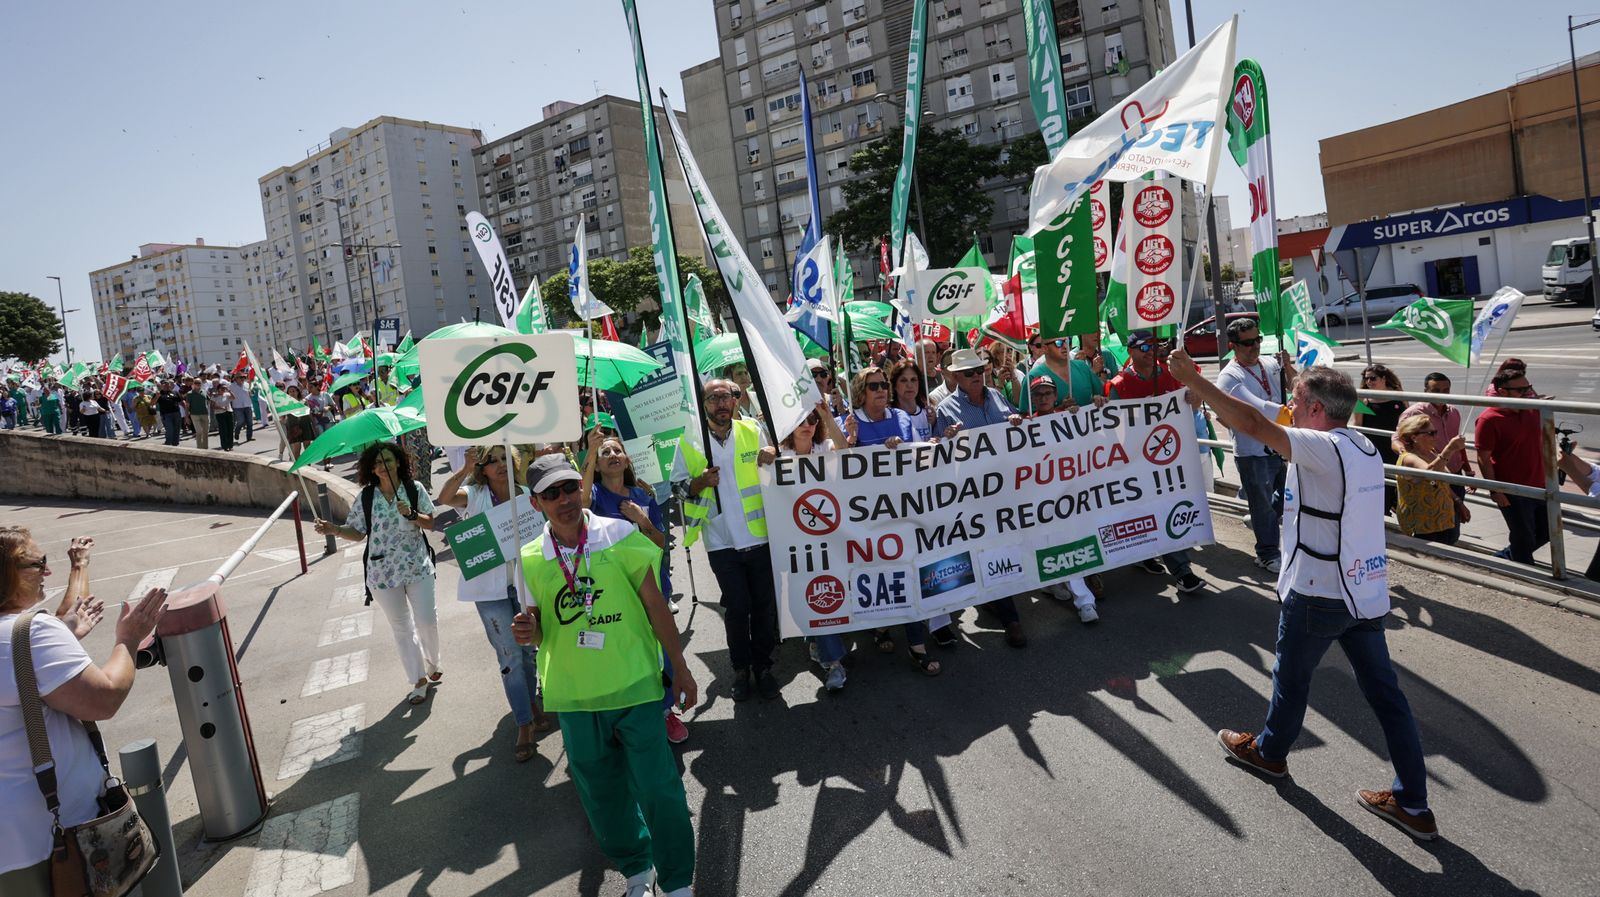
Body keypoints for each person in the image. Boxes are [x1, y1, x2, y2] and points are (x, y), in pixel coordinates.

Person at [1166, 350, 1439, 842]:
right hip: (1363, 593)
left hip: (1319, 592)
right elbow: (1267, 414)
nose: (1287, 404)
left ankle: (1269, 755)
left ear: (1314, 410)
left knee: (1291, 682)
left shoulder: (1319, 447)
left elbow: (1251, 420)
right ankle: (1414, 803)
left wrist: (1195, 380)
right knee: (1388, 698)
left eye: (1295, 399)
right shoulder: (1359, 443)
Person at [513, 454, 698, 897]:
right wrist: (527, 631)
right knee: (603, 797)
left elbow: (657, 607)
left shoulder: (618, 534)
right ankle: (638, 869)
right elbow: (538, 627)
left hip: (634, 684)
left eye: (570, 488)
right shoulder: (530, 556)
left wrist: (682, 668)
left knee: (659, 790)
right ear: (536, 503)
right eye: (551, 494)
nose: (564, 499)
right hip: (574, 696)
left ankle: (676, 882)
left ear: (581, 487)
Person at [1, 527, 168, 894]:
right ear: (7, 573)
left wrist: (63, 632)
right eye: (38, 563)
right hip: (54, 843)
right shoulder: (30, 635)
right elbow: (104, 698)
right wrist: (129, 638)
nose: (47, 571)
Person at [435, 445, 549, 762]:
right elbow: (445, 499)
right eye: (491, 461)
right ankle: (524, 723)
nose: (500, 465)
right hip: (490, 590)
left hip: (526, 585)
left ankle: (533, 703)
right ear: (482, 469)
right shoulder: (474, 495)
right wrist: (462, 469)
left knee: (529, 649)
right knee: (509, 653)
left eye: (504, 459)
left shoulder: (528, 494)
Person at [672, 379, 783, 700]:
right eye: (714, 398)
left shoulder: (752, 430)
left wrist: (773, 453)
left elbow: (775, 471)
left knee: (763, 607)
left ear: (736, 400)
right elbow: (678, 490)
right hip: (721, 542)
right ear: (703, 404)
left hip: (759, 537)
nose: (722, 403)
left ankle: (763, 667)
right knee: (737, 607)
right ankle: (740, 668)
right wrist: (699, 482)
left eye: (727, 397)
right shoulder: (690, 442)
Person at [581, 432, 690, 742]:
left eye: (618, 450)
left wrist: (643, 520)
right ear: (598, 465)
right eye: (606, 453)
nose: (613, 454)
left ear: (627, 459)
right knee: (624, 650)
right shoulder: (595, 497)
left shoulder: (644, 495)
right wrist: (590, 451)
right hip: (615, 589)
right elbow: (582, 501)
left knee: (660, 648)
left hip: (652, 584)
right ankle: (627, 715)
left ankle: (667, 711)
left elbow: (659, 542)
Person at [315, 443, 441, 706]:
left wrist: (413, 514)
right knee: (402, 628)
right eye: (378, 463)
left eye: (388, 460)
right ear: (371, 469)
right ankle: (418, 680)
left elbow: (431, 522)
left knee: (427, 620)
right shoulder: (367, 497)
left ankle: (432, 661)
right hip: (382, 573)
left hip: (417, 566)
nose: (383, 466)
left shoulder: (413, 489)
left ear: (398, 462)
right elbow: (358, 532)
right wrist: (335, 530)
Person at [758, 403, 852, 690]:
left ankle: (832, 660)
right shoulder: (780, 454)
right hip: (791, 542)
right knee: (802, 597)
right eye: (801, 419)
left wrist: (826, 415)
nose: (807, 424)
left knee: (824, 592)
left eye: (812, 419)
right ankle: (820, 646)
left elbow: (846, 454)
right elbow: (763, 473)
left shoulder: (823, 448)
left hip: (827, 539)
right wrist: (766, 458)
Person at [1105, 330, 1207, 594]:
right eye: (1143, 347)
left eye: (1154, 345)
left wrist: (1194, 399)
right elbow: (1113, 430)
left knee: (1166, 510)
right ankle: (1146, 555)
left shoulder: (1172, 374)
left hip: (1171, 459)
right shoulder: (1119, 384)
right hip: (1136, 463)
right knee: (1144, 513)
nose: (1150, 351)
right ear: (1130, 351)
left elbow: (1191, 408)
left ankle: (1181, 570)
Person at [1215, 319, 1295, 573]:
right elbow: (1257, 411)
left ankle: (1260, 520)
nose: (1254, 347)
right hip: (1252, 452)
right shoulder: (1229, 376)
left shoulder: (1271, 364)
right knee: (1263, 506)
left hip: (1279, 445)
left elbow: (1295, 387)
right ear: (1233, 345)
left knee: (1285, 498)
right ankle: (1267, 553)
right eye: (1247, 343)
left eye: (1257, 340)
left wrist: (1289, 367)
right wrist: (1289, 415)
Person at [1026, 376, 1102, 624]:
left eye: (1048, 393)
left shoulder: (1070, 416)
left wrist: (1092, 407)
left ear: (1055, 395)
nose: (1043, 398)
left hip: (1070, 496)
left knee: (1070, 543)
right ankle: (1053, 582)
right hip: (1041, 498)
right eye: (1038, 394)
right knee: (1047, 542)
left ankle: (1084, 600)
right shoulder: (1027, 424)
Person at [1475, 362, 1549, 564]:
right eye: (1521, 390)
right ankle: (1525, 574)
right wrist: (1495, 490)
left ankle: (1505, 557)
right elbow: (1483, 458)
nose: (1527, 393)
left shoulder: (1532, 410)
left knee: (1547, 532)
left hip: (1540, 484)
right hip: (1512, 490)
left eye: (1528, 387)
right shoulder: (1489, 419)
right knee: (1523, 538)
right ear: (1502, 392)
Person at [1397, 373, 1474, 501]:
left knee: (1453, 517)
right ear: (1426, 391)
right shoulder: (1413, 413)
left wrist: (1468, 471)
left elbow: (1459, 445)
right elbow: (1397, 439)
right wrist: (1412, 458)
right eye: (1436, 390)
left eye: (1446, 390)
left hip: (1455, 473)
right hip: (1431, 475)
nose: (1442, 394)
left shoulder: (1454, 412)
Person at [1393, 416, 1467, 545]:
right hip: (1423, 525)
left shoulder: (1431, 453)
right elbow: (1430, 473)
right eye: (1431, 433)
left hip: (1443, 520)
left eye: (1436, 432)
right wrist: (1449, 449)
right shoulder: (1408, 458)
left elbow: (1441, 482)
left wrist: (1458, 502)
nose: (1435, 436)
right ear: (1414, 437)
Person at [1354, 364, 1405, 513]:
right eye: (1366, 378)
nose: (1369, 381)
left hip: (1394, 446)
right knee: (1378, 483)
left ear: (1384, 378)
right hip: (1373, 447)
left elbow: (1407, 420)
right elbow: (1358, 425)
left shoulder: (1399, 396)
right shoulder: (1362, 400)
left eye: (1373, 378)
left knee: (1396, 482)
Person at [841, 367, 917, 450]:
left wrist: (902, 446)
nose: (880, 390)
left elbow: (920, 451)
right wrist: (851, 439)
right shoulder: (848, 423)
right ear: (861, 392)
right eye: (873, 386)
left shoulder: (903, 417)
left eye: (884, 385)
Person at [1027, 334, 1103, 413]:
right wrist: (1059, 409)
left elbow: (1102, 394)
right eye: (1058, 343)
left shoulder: (1083, 367)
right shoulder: (1033, 376)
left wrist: (1098, 399)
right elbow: (1026, 416)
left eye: (1067, 341)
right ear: (1045, 348)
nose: (1065, 346)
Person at [887, 358, 934, 443]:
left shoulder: (928, 414)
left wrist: (935, 427)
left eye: (913, 380)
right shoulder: (887, 416)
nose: (909, 385)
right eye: (903, 380)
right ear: (894, 385)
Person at [280, 385, 316, 461]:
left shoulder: (304, 401)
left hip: (305, 425)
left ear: (297, 392)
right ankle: (298, 467)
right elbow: (282, 417)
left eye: (294, 391)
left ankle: (308, 464)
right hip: (293, 427)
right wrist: (285, 422)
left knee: (307, 448)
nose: (292, 393)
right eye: (290, 391)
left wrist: (313, 424)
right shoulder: (286, 403)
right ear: (288, 393)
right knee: (297, 449)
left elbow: (309, 414)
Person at [208, 381, 236, 452]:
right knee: (224, 430)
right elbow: (212, 406)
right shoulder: (215, 396)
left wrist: (229, 390)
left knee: (230, 429)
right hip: (220, 414)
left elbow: (234, 398)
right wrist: (220, 407)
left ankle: (230, 445)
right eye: (222, 388)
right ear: (218, 389)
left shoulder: (227, 394)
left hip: (228, 412)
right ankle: (225, 446)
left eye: (224, 388)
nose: (223, 390)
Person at [185, 376, 211, 449]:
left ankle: (205, 447)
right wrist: (186, 417)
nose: (198, 384)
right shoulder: (189, 394)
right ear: (193, 383)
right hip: (194, 414)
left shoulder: (204, 391)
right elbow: (187, 406)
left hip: (204, 413)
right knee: (199, 431)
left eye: (199, 383)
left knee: (205, 432)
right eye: (196, 383)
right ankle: (199, 448)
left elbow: (209, 401)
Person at [228, 372, 254, 443]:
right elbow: (227, 394)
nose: (242, 379)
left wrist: (251, 392)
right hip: (237, 406)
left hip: (247, 405)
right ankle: (237, 431)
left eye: (243, 377)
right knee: (240, 421)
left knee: (250, 422)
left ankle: (249, 437)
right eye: (241, 377)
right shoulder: (231, 386)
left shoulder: (247, 384)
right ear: (236, 379)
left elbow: (250, 393)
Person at [156, 381, 183, 446]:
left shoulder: (175, 392)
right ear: (162, 386)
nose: (167, 387)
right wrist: (157, 397)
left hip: (176, 413)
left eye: (168, 385)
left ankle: (175, 443)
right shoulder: (159, 394)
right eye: (165, 385)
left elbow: (180, 401)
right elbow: (152, 403)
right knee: (169, 429)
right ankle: (168, 442)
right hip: (166, 415)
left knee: (177, 429)